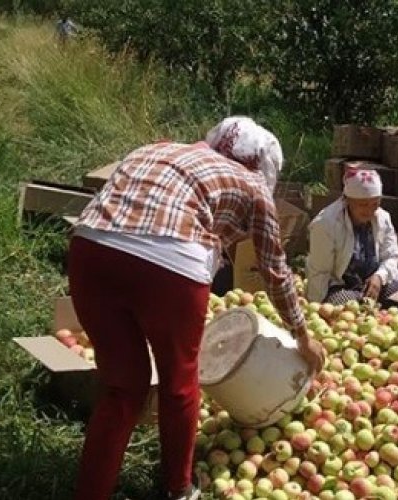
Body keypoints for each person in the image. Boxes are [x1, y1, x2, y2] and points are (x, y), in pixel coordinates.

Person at [67, 116, 326, 500]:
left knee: (123, 387)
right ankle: (179, 489)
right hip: (169, 263)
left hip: (90, 250)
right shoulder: (253, 185)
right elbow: (274, 270)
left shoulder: (157, 148)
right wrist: (302, 334)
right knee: (179, 384)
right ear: (260, 164)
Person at [306, 168, 398, 306]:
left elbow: (392, 256)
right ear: (348, 200)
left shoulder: (383, 218)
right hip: (342, 287)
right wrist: (317, 306)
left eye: (375, 204)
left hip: (376, 284)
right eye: (363, 204)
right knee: (349, 307)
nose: (369, 210)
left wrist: (380, 276)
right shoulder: (326, 224)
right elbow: (320, 272)